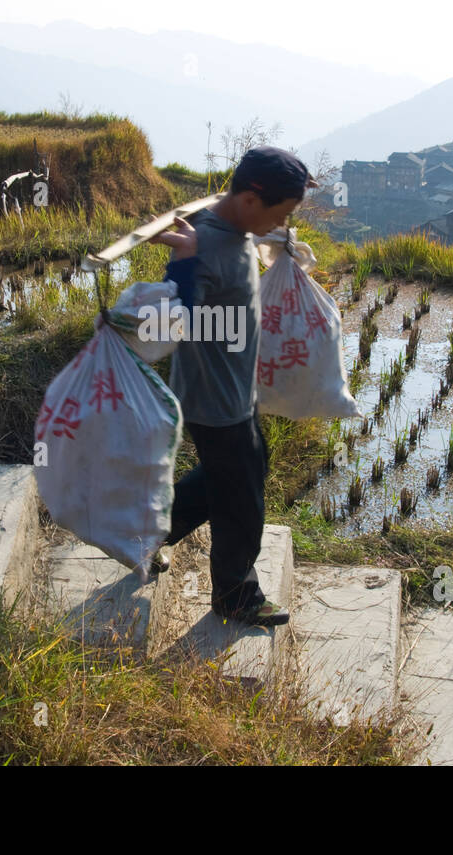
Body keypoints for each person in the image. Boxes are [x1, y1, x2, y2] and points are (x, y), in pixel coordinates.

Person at [149, 146, 313, 627]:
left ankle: (152, 533)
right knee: (241, 500)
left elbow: (245, 232)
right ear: (250, 199)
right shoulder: (202, 246)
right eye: (277, 215)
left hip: (234, 389)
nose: (275, 223)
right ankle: (236, 596)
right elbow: (171, 322)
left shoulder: (237, 224)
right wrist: (181, 263)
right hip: (215, 399)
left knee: (245, 468)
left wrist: (276, 236)